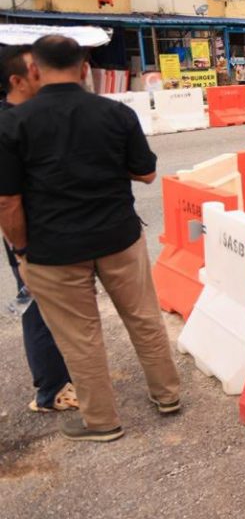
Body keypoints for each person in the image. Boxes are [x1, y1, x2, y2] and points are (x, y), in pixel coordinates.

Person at [0, 35, 180, 443]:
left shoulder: (12, 124)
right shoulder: (115, 113)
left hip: (53, 250)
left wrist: (22, 250)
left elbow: (8, 202)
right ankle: (167, 395)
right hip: (119, 237)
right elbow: (147, 173)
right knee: (144, 319)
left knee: (81, 337)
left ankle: (101, 421)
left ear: (33, 70)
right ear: (85, 69)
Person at [0, 45, 78, 415]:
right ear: (18, 80)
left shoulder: (33, 114)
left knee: (57, 307)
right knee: (38, 306)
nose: (42, 74)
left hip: (53, 229)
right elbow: (7, 201)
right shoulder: (8, 124)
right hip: (30, 237)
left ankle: (62, 379)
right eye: (35, 70)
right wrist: (21, 250)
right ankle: (51, 390)